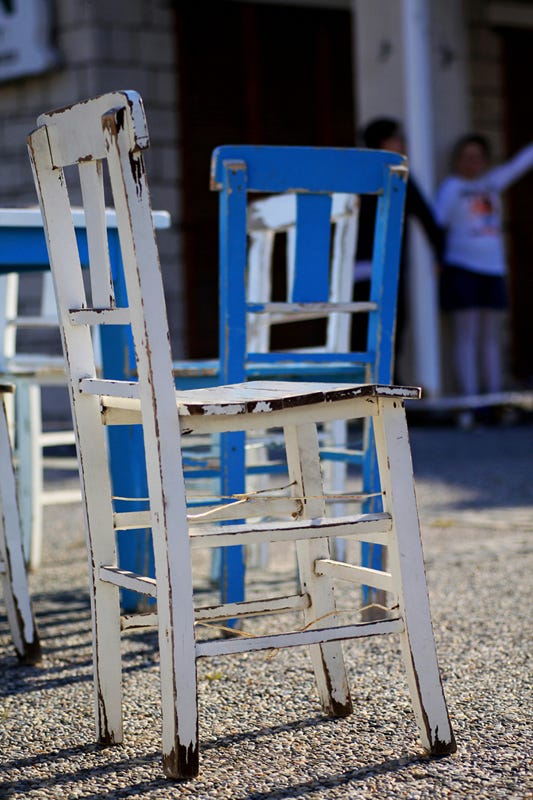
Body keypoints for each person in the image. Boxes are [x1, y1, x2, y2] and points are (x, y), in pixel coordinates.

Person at [434, 133, 533, 428]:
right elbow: (437, 224)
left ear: (486, 161)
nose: (471, 163)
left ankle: (492, 402)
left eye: (477, 157)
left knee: (490, 337)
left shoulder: (492, 184)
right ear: (456, 160)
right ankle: (470, 402)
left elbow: (521, 163)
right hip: (462, 268)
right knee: (467, 336)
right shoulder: (452, 188)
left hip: (493, 269)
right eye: (466, 157)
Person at [352, 118, 444, 381]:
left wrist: (439, 251)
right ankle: (382, 384)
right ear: (384, 142)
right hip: (376, 265)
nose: (402, 143)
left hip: (366, 265)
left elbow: (426, 218)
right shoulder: (393, 173)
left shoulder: (359, 172)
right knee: (387, 325)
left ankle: (381, 383)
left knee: (373, 327)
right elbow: (427, 218)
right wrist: (440, 252)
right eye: (397, 138)